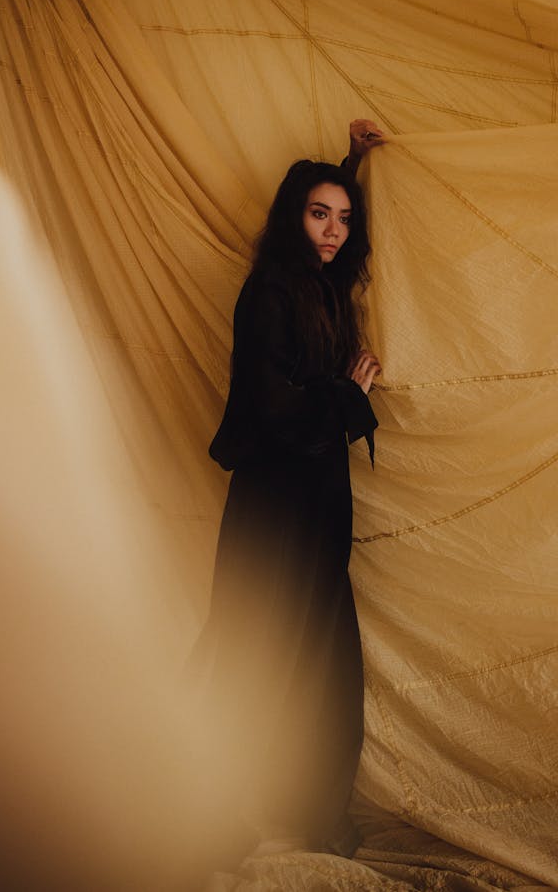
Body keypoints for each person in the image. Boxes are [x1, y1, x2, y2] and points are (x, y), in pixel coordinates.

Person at [192, 119, 386, 859]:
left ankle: (309, 809)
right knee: (257, 649)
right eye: (318, 213)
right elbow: (272, 409)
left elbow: (306, 394)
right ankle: (204, 809)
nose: (334, 230)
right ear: (292, 216)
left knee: (320, 656)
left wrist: (355, 165)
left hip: (319, 501)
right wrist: (342, 393)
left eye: (344, 217)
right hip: (275, 504)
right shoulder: (269, 291)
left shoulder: (320, 286)